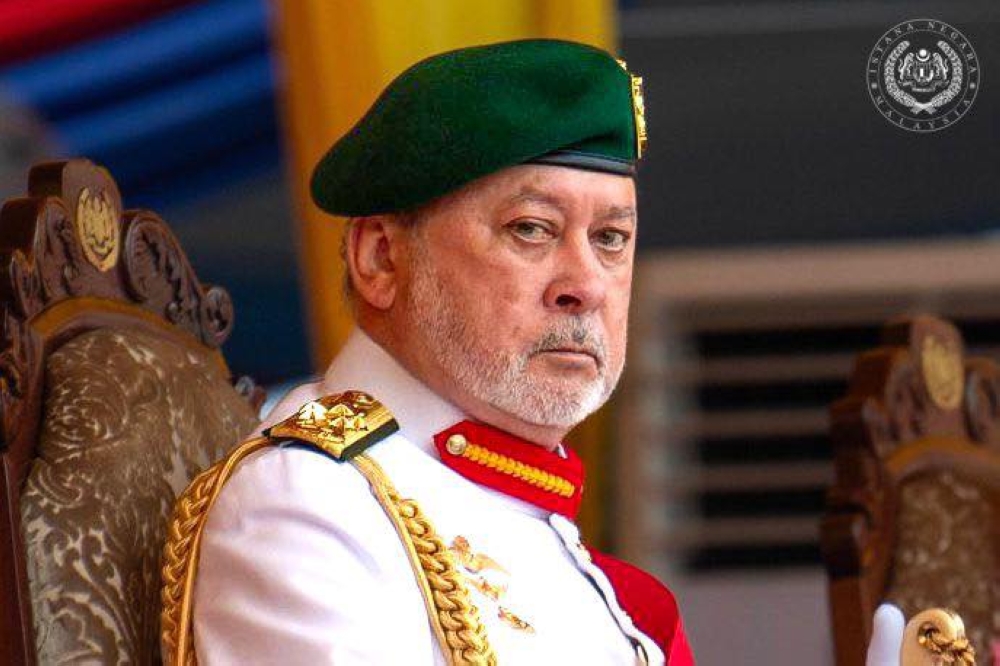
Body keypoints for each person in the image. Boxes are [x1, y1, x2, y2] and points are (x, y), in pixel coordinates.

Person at [160, 38, 693, 665]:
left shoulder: (523, 509)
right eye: (530, 228)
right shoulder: (307, 503)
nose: (584, 284)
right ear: (381, 258)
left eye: (610, 238)